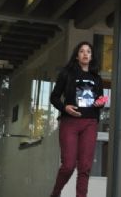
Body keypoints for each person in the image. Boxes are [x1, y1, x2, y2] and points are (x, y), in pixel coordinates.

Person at [49, 41, 106, 197]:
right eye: (82, 51)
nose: (85, 54)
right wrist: (64, 107)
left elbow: (99, 100)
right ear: (76, 56)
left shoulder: (97, 78)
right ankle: (55, 193)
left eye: (88, 51)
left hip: (90, 123)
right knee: (68, 165)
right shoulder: (67, 74)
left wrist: (100, 102)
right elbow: (54, 97)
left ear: (92, 56)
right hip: (70, 123)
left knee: (85, 167)